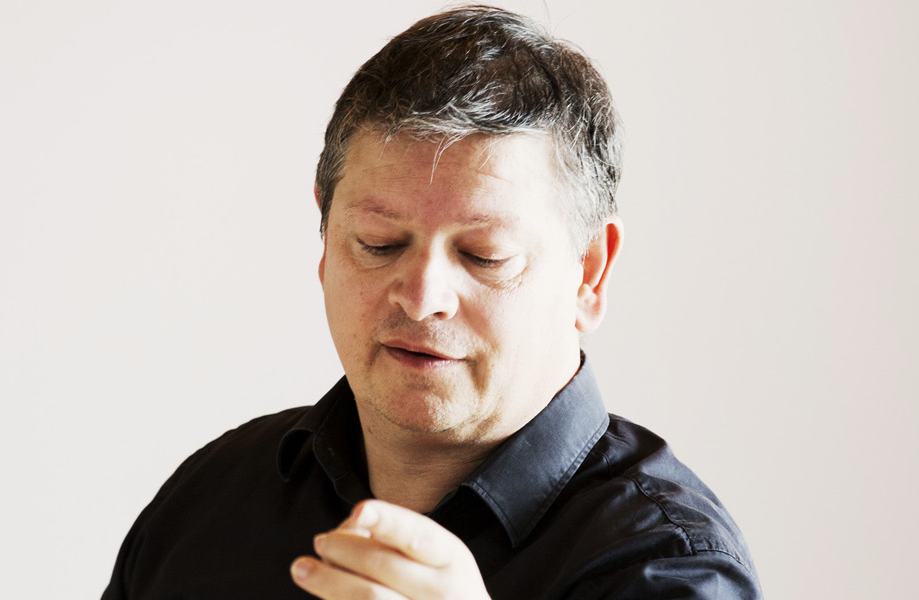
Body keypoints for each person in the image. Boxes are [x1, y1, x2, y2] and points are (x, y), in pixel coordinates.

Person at [100, 6, 760, 599]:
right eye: (379, 243)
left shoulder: (670, 569)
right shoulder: (211, 502)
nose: (421, 300)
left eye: (484, 256)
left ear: (590, 273)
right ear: (326, 240)